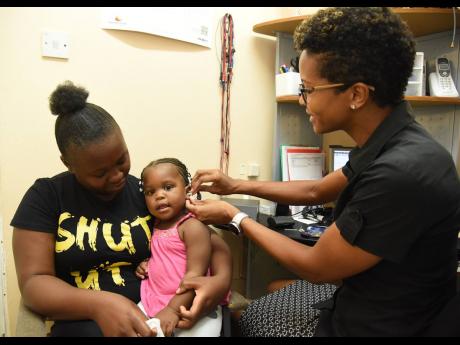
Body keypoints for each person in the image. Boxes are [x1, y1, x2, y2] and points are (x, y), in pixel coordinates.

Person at [185, 7, 460, 337]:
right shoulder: (392, 139)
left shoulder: (400, 173)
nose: (303, 101)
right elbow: (317, 191)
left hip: (381, 325)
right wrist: (235, 185)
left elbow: (316, 267)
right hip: (372, 300)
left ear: (356, 94)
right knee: (271, 288)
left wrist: (235, 217)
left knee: (244, 318)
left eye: (308, 89)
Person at [11, 81, 232, 337]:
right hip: (83, 323)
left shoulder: (147, 194)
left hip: (156, 315)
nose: (117, 176)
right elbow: (33, 283)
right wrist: (100, 304)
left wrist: (220, 281)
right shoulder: (46, 197)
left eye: (121, 160)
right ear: (69, 164)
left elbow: (208, 242)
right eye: (100, 172)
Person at [135, 158, 229, 336]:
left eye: (168, 187)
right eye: (150, 192)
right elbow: (168, 256)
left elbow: (196, 276)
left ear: (187, 191)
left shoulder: (192, 227)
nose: (159, 195)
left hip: (191, 304)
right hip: (153, 300)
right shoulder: (155, 225)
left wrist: (172, 309)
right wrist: (148, 264)